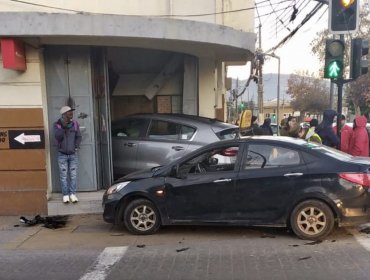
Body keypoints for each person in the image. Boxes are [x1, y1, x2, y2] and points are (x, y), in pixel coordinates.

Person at [54, 106, 82, 203]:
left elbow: (78, 136)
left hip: (73, 154)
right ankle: (65, 195)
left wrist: (76, 146)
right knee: (63, 176)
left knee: (73, 175)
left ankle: (73, 194)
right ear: (64, 114)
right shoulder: (57, 124)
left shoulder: (75, 124)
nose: (71, 113)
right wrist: (63, 127)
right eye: (69, 112)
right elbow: (58, 137)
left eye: (71, 112)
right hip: (62, 155)